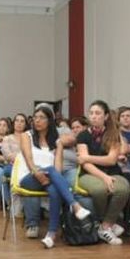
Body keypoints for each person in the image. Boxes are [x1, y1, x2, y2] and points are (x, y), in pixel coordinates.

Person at [18, 104, 90, 249]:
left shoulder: (56, 141)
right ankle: (75, 205)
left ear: (49, 121)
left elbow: (57, 169)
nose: (37, 120)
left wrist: (60, 147)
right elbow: (28, 158)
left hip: (48, 178)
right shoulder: (27, 136)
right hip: (29, 177)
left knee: (55, 190)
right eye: (35, 117)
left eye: (42, 118)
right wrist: (36, 172)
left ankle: (51, 234)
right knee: (50, 171)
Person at [76, 100, 130, 245]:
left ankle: (105, 225)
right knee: (100, 189)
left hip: (112, 171)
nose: (94, 116)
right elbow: (85, 164)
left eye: (98, 113)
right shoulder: (82, 135)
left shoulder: (113, 133)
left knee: (123, 188)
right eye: (91, 113)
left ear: (106, 116)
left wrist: (87, 157)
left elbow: (111, 160)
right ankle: (108, 224)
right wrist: (104, 177)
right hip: (89, 173)